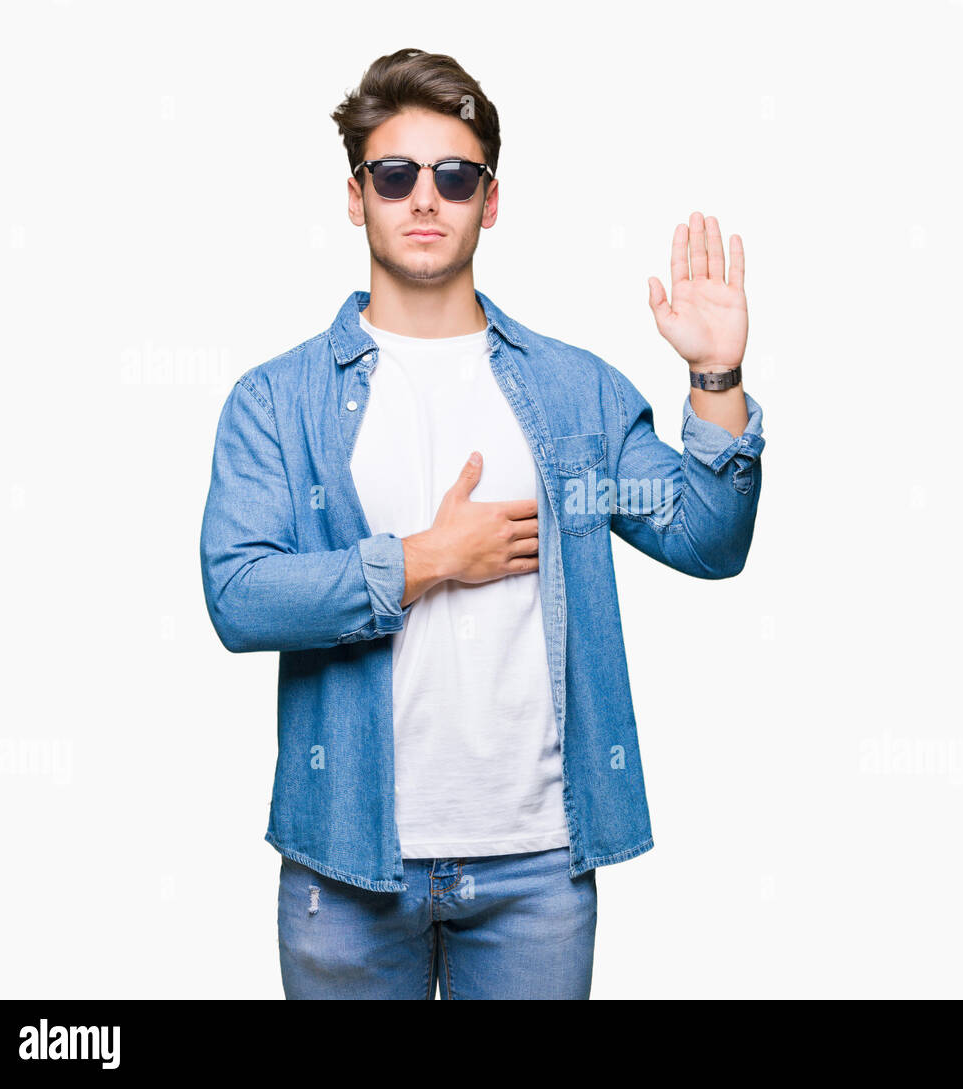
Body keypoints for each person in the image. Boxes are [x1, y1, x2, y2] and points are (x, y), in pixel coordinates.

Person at [199, 47, 766, 1000]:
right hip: (345, 866)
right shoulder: (276, 401)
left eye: (454, 176)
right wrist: (419, 563)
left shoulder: (572, 390)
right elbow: (237, 595)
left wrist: (715, 381)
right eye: (396, 175)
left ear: (489, 200)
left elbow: (708, 538)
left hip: (536, 865)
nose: (426, 197)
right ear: (356, 196)